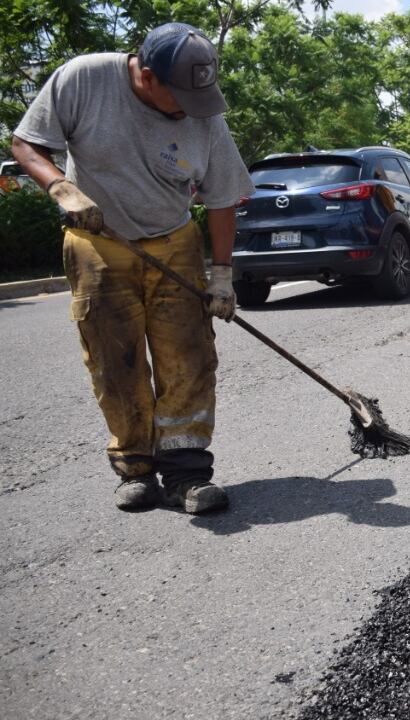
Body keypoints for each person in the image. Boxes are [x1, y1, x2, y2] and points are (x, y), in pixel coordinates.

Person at [11, 22, 253, 513]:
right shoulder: (83, 79)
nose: (188, 107)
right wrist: (60, 186)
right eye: (179, 94)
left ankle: (186, 474)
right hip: (98, 244)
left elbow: (224, 198)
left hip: (175, 242)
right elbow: (25, 143)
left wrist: (222, 275)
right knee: (115, 362)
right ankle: (136, 469)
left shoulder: (203, 111)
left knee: (188, 358)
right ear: (145, 75)